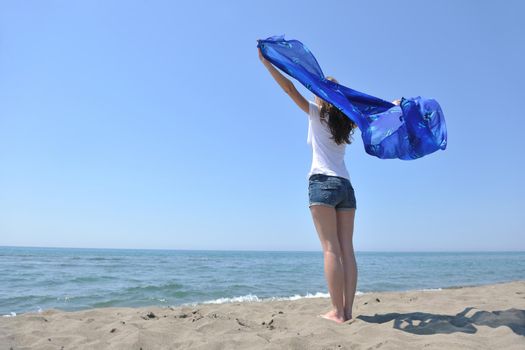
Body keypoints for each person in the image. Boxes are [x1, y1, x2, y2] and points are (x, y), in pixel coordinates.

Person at [258, 44, 400, 324]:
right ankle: (348, 310)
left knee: (330, 249)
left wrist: (268, 64)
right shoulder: (348, 121)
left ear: (322, 96)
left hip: (322, 183)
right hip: (346, 186)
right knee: (347, 248)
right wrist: (394, 106)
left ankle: (338, 312)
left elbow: (289, 89)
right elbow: (376, 114)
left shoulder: (315, 113)